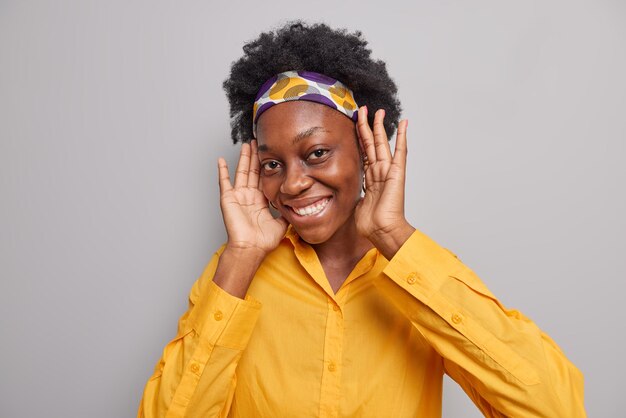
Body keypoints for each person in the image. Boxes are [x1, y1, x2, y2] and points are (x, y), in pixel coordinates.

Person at [137, 21, 586, 418]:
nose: (292, 184)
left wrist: (394, 236)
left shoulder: (422, 274)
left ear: (365, 147)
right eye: (273, 164)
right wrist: (240, 259)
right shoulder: (234, 273)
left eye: (316, 153)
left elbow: (555, 409)